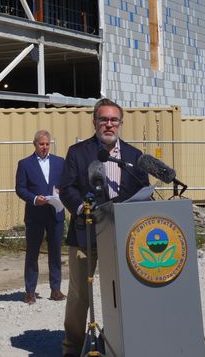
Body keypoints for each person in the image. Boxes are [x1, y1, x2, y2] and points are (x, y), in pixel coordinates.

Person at [59, 98, 150, 357]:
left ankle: (123, 344)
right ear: (94, 122)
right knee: (79, 296)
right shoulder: (77, 152)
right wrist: (82, 209)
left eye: (113, 120)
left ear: (121, 123)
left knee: (124, 292)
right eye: (103, 119)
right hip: (84, 233)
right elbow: (66, 188)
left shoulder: (134, 156)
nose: (108, 125)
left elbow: (143, 191)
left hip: (123, 236)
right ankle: (72, 348)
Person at [15, 130, 66, 304]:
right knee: (32, 253)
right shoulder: (25, 164)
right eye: (41, 144)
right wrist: (35, 199)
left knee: (55, 252)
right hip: (35, 214)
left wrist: (61, 193)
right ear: (34, 144)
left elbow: (67, 184)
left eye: (47, 144)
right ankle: (30, 291)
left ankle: (56, 289)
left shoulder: (60, 162)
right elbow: (20, 189)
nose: (44, 147)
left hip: (55, 213)